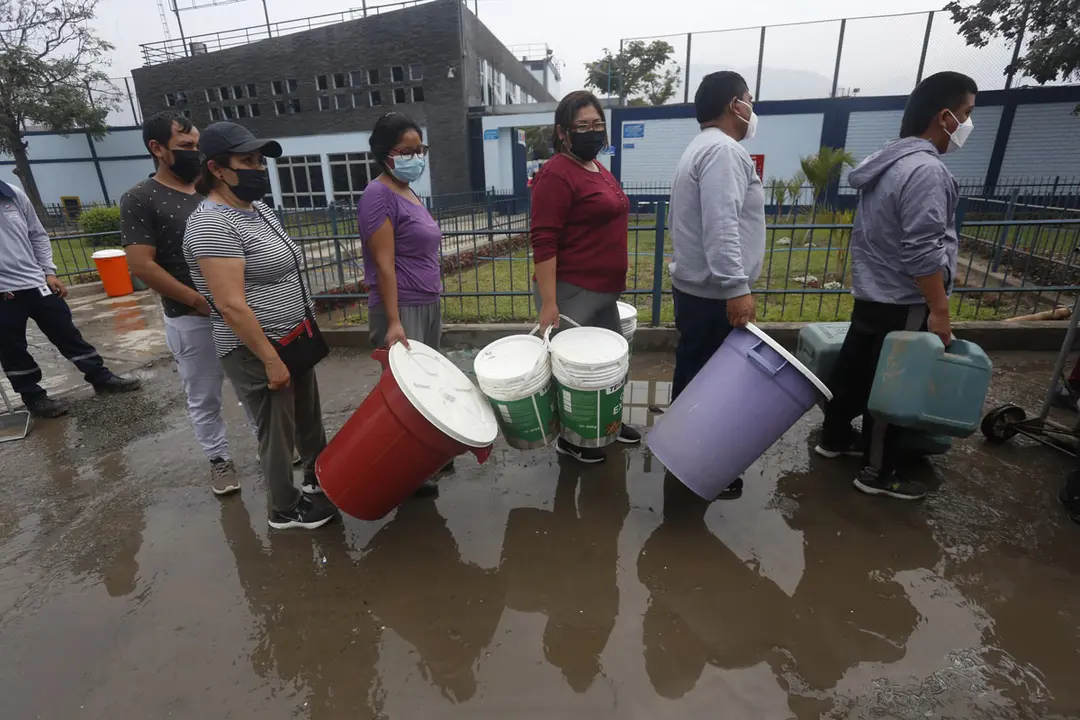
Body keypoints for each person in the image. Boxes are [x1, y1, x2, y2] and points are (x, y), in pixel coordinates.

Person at [815, 71, 978, 501]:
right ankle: (878, 472)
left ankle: (833, 439)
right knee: (891, 388)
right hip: (904, 299)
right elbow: (923, 252)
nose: (967, 124)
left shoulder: (887, 162)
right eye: (966, 114)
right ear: (944, 117)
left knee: (855, 372)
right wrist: (939, 310)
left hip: (871, 291)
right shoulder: (926, 171)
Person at [184, 121, 334, 531]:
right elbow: (231, 305)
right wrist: (270, 360)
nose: (258, 168)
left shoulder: (259, 210)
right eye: (246, 161)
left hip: (293, 335)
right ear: (217, 168)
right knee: (278, 431)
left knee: (308, 417)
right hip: (257, 348)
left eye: (259, 161)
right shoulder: (211, 224)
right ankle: (284, 509)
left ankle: (318, 482)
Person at [121, 110, 248, 497]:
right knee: (204, 394)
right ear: (157, 148)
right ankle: (218, 460)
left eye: (197, 145)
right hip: (190, 318)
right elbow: (142, 264)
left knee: (255, 385)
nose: (194, 153)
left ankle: (275, 443)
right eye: (185, 146)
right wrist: (197, 300)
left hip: (239, 311)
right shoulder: (141, 198)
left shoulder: (216, 190)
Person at [668, 71, 767, 496]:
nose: (751, 108)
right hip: (713, 293)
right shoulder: (724, 152)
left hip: (698, 289)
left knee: (694, 375)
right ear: (733, 105)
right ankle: (697, 464)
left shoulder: (701, 147)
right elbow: (722, 224)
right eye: (749, 99)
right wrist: (736, 286)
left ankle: (681, 454)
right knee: (711, 384)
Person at [531, 89, 641, 465]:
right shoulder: (556, 174)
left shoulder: (596, 167)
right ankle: (572, 439)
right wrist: (549, 303)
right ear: (563, 132)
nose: (593, 131)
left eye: (597, 124)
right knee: (577, 373)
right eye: (583, 125)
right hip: (572, 292)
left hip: (603, 293)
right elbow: (544, 241)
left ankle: (605, 427)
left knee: (610, 366)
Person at [357, 112, 446, 495]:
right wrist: (394, 322)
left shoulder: (408, 192)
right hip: (402, 307)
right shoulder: (378, 194)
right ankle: (402, 472)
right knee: (404, 394)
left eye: (419, 149)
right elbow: (384, 263)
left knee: (425, 389)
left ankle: (422, 461)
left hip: (425, 301)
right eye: (404, 150)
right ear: (384, 153)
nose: (415, 157)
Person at [0, 183, 141, 418]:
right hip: (3, 293)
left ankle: (101, 378)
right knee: (12, 349)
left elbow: (37, 234)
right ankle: (34, 398)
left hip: (36, 283)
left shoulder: (11, 194)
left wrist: (49, 272)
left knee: (67, 333)